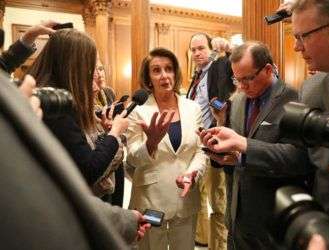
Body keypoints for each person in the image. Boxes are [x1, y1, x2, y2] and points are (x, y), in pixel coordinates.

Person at [27, 29, 151, 242]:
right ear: (73, 65)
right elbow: (89, 169)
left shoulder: (48, 95)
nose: (94, 73)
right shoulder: (57, 108)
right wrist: (114, 133)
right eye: (90, 65)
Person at [199, 41, 312, 250]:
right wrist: (225, 152)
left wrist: (244, 145)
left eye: (247, 79)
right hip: (237, 219)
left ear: (268, 70)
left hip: (272, 223)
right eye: (237, 79)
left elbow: (298, 159)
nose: (241, 86)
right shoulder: (239, 99)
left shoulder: (295, 100)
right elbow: (237, 152)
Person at [126, 47, 208, 250]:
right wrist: (150, 143)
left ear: (175, 72)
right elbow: (133, 160)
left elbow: (200, 150)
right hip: (150, 200)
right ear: (148, 78)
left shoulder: (193, 108)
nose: (164, 75)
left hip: (185, 197)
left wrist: (191, 174)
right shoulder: (138, 111)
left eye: (169, 69)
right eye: (156, 70)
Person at [290, 0, 329, 230]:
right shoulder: (310, 88)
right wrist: (242, 148)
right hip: (327, 227)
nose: (297, 47)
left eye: (302, 36)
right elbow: (302, 160)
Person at [187, 32, 234, 249]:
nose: (197, 53)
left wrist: (228, 51)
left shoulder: (219, 68)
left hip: (214, 145)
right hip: (196, 146)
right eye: (193, 49)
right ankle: (202, 240)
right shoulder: (196, 77)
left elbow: (232, 71)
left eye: (201, 48)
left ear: (210, 49)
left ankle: (219, 246)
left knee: (218, 203)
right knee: (198, 199)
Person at [90, 57, 126, 207]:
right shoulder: (83, 98)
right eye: (95, 69)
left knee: (117, 202)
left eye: (101, 69)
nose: (99, 73)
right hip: (100, 154)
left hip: (114, 152)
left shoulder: (108, 92)